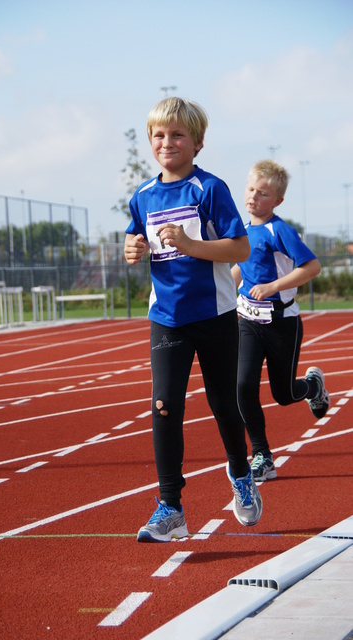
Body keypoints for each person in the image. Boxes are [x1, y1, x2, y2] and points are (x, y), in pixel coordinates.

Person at [124, 96, 262, 542]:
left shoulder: (210, 189)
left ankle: (241, 474)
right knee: (164, 407)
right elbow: (134, 237)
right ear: (151, 141)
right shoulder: (142, 196)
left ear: (197, 143)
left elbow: (239, 248)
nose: (168, 142)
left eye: (178, 135)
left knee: (223, 403)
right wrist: (132, 249)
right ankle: (170, 507)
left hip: (216, 313)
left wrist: (190, 245)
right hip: (167, 317)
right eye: (160, 135)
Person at [231, 159, 330, 483]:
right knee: (242, 386)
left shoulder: (280, 230)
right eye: (250, 190)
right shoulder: (241, 231)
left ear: (277, 201)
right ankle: (262, 455)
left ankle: (313, 386)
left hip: (281, 323)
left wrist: (273, 287)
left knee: (283, 394)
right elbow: (239, 271)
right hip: (246, 319)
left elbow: (312, 267)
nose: (253, 197)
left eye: (262, 193)